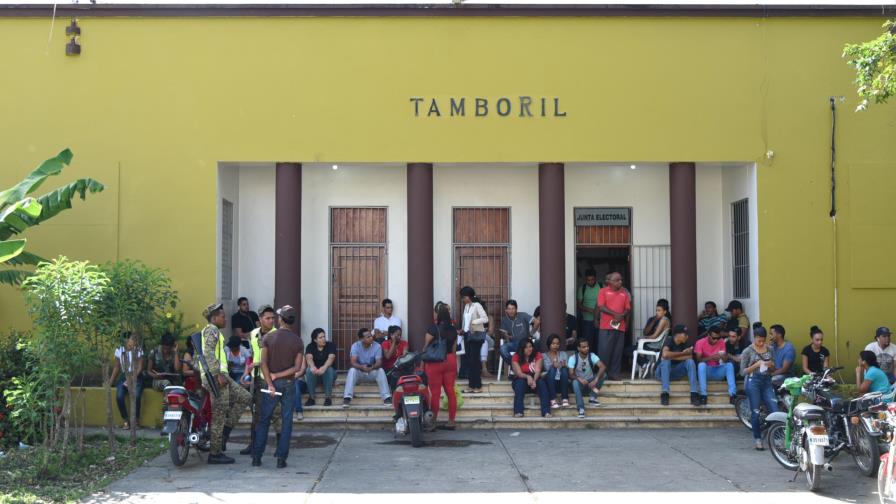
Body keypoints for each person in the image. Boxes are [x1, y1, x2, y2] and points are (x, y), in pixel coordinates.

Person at [199, 303, 252, 464]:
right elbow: (208, 353)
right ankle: (215, 453)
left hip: (221, 376)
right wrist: (217, 375)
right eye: (222, 316)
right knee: (219, 414)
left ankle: (225, 433)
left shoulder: (215, 332)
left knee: (245, 397)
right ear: (214, 318)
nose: (225, 318)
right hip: (216, 377)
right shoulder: (211, 330)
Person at [252, 305, 304, 469]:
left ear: (280, 319)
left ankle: (257, 457)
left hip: (271, 385)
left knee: (264, 420)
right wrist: (280, 376)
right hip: (289, 383)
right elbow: (296, 368)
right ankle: (281, 459)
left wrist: (270, 381)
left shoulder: (268, 338)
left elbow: (263, 363)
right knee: (287, 421)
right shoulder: (297, 341)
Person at [239, 305, 281, 456]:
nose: (271, 321)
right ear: (260, 319)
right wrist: (246, 371)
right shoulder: (254, 334)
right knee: (255, 412)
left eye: (272, 318)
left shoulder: (277, 335)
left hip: (272, 377)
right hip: (256, 377)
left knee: (276, 412)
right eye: (267, 318)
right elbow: (251, 355)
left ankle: (280, 446)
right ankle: (254, 444)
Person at [741, 325, 777, 450]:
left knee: (775, 410)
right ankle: (758, 439)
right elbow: (742, 372)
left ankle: (775, 437)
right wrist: (756, 365)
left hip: (767, 381)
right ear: (754, 338)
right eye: (758, 341)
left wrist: (770, 364)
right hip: (753, 381)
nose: (761, 343)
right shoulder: (748, 351)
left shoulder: (770, 349)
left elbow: (774, 368)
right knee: (755, 412)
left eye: (763, 340)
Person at [423, 305, 459, 429]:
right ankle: (451, 421)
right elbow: (454, 349)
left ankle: (433, 422)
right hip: (450, 360)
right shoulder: (453, 330)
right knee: (450, 392)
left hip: (435, 362)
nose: (433, 315)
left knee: (436, 393)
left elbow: (426, 347)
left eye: (435, 313)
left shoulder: (433, 328)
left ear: (438, 315)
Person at [343, 328, 391, 406]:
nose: (371, 338)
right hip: (360, 372)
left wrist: (372, 367)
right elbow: (353, 362)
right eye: (368, 337)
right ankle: (347, 398)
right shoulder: (355, 346)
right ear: (361, 339)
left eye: (371, 336)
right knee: (352, 370)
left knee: (381, 370)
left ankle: (386, 397)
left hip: (371, 371)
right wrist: (362, 367)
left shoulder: (377, 346)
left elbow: (379, 362)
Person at [598, 272, 632, 381]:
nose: (620, 282)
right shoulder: (603, 291)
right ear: (610, 282)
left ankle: (614, 374)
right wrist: (615, 314)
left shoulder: (624, 293)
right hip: (606, 326)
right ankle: (603, 373)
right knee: (604, 351)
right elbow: (601, 307)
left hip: (620, 326)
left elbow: (628, 308)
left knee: (617, 351)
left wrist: (622, 315)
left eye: (621, 280)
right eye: (617, 280)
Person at [109, 332, 144, 429]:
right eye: (132, 339)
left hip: (137, 376)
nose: (134, 341)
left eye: (134, 339)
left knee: (136, 396)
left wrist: (132, 379)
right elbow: (116, 367)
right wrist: (110, 383)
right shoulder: (119, 350)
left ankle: (136, 420)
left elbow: (140, 368)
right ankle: (125, 420)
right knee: (119, 396)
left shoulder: (138, 350)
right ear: (126, 340)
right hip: (124, 375)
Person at [658, 324, 699, 406]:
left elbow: (689, 356)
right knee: (666, 361)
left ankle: (694, 394)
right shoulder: (669, 340)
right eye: (685, 334)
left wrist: (672, 356)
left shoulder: (686, 343)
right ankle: (665, 394)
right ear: (677, 335)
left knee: (690, 362)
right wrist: (681, 354)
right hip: (661, 373)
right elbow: (665, 354)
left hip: (675, 373)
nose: (687, 336)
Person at [694, 326, 736, 405]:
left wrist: (723, 357)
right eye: (714, 338)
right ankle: (703, 395)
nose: (716, 340)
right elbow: (698, 360)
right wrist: (711, 358)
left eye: (718, 337)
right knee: (701, 365)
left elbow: (724, 360)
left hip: (717, 370)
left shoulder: (721, 342)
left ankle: (733, 395)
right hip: (707, 371)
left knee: (729, 365)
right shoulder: (700, 342)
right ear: (708, 335)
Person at [510, 338, 551, 418]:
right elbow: (518, 373)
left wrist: (534, 380)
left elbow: (538, 370)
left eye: (530, 346)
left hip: (535, 378)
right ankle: (518, 411)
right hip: (521, 378)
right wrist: (528, 376)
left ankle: (546, 412)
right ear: (522, 349)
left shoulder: (537, 354)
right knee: (520, 383)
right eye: (526, 347)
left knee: (542, 384)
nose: (529, 349)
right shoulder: (516, 356)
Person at [567, 337, 606, 418]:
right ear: (578, 348)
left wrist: (596, 380)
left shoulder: (592, 356)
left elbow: (602, 367)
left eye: (587, 346)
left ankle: (592, 398)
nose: (586, 348)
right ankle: (581, 409)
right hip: (580, 384)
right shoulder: (573, 358)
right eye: (584, 347)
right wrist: (579, 378)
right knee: (574, 382)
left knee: (604, 374)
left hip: (591, 383)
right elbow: (570, 374)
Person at [460, 287, 489, 394]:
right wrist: (462, 329)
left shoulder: (477, 305)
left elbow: (485, 318)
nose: (463, 299)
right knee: (469, 361)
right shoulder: (466, 306)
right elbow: (465, 320)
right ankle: (471, 386)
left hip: (476, 336)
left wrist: (474, 322)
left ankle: (478, 386)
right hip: (468, 335)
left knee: (474, 361)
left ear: (469, 296)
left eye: (464, 297)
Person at [632, 299, 672, 377]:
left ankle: (645, 363)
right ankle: (645, 363)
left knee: (631, 349)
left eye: (659, 310)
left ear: (665, 312)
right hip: (655, 343)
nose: (657, 312)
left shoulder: (664, 320)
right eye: (656, 310)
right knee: (633, 348)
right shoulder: (661, 319)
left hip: (656, 345)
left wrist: (644, 338)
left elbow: (654, 336)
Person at [498, 300, 534, 372]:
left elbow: (537, 322)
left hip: (524, 343)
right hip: (513, 344)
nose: (511, 311)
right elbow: (503, 334)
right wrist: (506, 336)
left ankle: (515, 367)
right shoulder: (504, 320)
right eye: (509, 309)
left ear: (516, 309)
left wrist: (531, 334)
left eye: (513, 308)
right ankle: (515, 365)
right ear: (506, 310)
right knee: (502, 349)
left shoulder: (523, 315)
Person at [305, 328, 337, 407]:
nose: (323, 339)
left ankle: (328, 398)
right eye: (320, 337)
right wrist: (312, 367)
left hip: (330, 374)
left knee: (328, 369)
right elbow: (309, 357)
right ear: (315, 340)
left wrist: (324, 367)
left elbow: (331, 357)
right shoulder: (310, 346)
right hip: (317, 374)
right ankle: (311, 398)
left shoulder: (330, 345)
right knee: (309, 370)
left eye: (324, 337)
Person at [543, 334, 570, 409]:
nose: (555, 346)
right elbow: (547, 368)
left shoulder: (563, 354)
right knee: (552, 369)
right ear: (549, 344)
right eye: (553, 343)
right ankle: (552, 399)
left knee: (564, 369)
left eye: (557, 344)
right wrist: (553, 365)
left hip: (561, 382)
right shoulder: (544, 355)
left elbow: (568, 367)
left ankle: (565, 398)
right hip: (550, 381)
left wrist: (565, 366)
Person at [576, 269, 601, 352]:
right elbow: (579, 305)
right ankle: (589, 362)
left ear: (596, 279)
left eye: (592, 280)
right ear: (585, 279)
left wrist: (597, 312)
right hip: (587, 321)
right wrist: (592, 311)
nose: (590, 282)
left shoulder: (601, 287)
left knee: (600, 342)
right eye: (588, 280)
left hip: (600, 320)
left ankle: (598, 362)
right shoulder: (582, 288)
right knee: (588, 342)